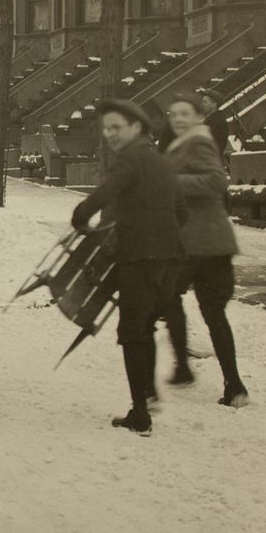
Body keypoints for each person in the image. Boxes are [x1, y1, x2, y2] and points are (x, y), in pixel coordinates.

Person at [71, 98, 185, 436]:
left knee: (131, 332)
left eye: (116, 128)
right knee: (145, 325)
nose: (109, 135)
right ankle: (147, 395)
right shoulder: (161, 161)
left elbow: (107, 191)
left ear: (136, 128)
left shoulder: (129, 158)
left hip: (139, 258)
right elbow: (183, 212)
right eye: (106, 128)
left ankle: (140, 414)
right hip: (170, 260)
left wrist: (81, 214)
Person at [160, 94, 249, 407]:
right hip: (200, 243)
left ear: (199, 116)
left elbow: (216, 181)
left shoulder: (199, 141)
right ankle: (234, 386)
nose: (179, 119)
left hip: (203, 244)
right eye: (174, 114)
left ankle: (186, 369)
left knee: (169, 296)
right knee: (211, 314)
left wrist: (172, 181)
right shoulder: (183, 143)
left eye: (186, 113)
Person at [195, 88, 231, 166]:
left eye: (205, 102)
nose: (201, 104)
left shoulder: (218, 122)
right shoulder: (210, 120)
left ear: (214, 104)